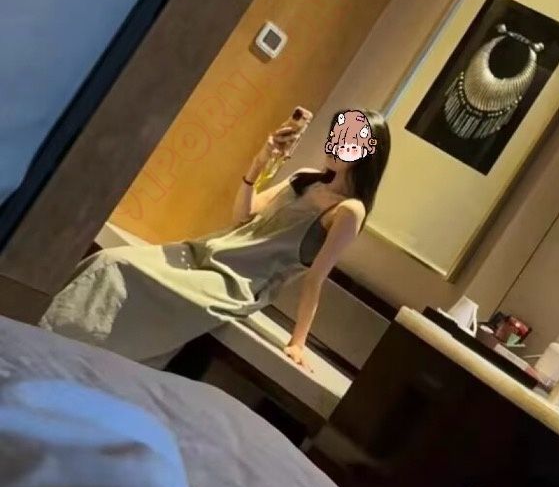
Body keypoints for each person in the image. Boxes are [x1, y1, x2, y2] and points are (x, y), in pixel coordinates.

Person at [39, 109, 390, 372]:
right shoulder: (304, 178)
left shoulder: (349, 211)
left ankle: (63, 356)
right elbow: (243, 216)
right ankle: (41, 340)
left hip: (235, 282)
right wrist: (259, 163)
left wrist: (298, 343)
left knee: (124, 270)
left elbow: (315, 279)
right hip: (207, 252)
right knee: (109, 260)